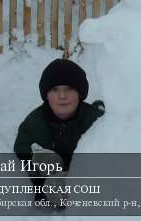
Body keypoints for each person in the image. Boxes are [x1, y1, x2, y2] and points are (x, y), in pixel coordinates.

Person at [13, 58, 105, 205]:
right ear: (46, 95)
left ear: (80, 93)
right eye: (55, 90)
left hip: (84, 175)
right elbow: (21, 158)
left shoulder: (95, 121)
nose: (62, 96)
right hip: (51, 179)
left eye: (69, 88)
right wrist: (40, 185)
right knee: (44, 160)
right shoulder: (34, 124)